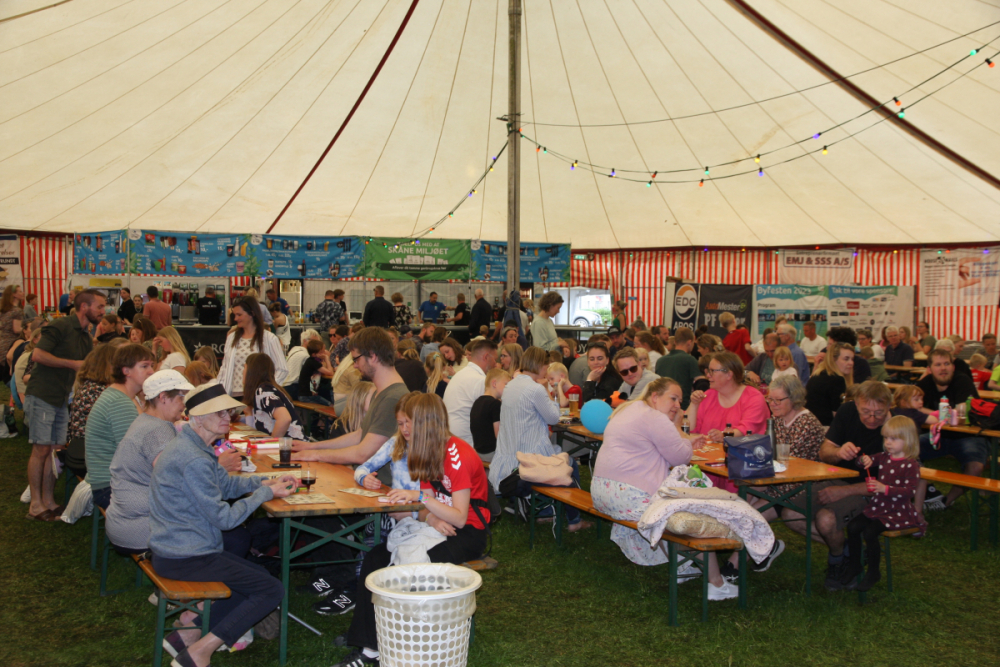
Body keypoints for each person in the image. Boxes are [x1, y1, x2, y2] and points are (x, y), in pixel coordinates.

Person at [331, 393, 490, 667]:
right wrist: (429, 517)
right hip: (439, 526)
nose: (404, 430)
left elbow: (460, 517)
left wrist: (421, 500)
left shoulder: (458, 455)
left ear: (427, 423)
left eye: (409, 423)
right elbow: (427, 509)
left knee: (409, 568)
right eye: (401, 423)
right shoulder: (424, 450)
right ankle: (370, 644)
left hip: (467, 533)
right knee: (375, 559)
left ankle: (405, 643)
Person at [148, 382, 294, 666]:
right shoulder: (193, 458)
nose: (228, 418)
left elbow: (225, 485)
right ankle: (199, 652)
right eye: (220, 413)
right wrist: (265, 494)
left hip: (176, 548)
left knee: (256, 576)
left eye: (228, 412)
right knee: (271, 589)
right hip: (185, 556)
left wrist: (265, 482)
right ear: (198, 418)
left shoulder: (193, 446)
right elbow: (225, 519)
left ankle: (186, 636)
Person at [591, 377, 740, 599]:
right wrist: (678, 428)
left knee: (677, 506)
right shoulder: (656, 418)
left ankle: (683, 565)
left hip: (602, 492)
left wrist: (684, 440)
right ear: (655, 397)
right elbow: (681, 458)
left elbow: (663, 447)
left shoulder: (628, 409)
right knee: (695, 515)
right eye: (673, 398)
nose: (677, 405)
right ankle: (717, 584)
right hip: (629, 496)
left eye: (680, 400)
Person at [793, 381, 893, 591]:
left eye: (879, 413)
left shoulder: (897, 429)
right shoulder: (847, 412)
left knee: (826, 519)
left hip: (873, 492)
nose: (872, 418)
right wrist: (838, 452)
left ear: (889, 407)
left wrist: (843, 491)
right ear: (856, 404)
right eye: (865, 412)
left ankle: (837, 560)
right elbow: (824, 453)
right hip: (838, 479)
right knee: (790, 514)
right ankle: (850, 551)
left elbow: (892, 483)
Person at [489, 347, 593, 531]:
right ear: (539, 365)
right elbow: (553, 417)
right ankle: (574, 520)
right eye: (546, 366)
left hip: (509, 455)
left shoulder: (511, 385)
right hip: (530, 458)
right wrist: (547, 389)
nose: (546, 370)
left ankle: (541, 509)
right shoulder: (535, 389)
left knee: (560, 458)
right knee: (569, 464)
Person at [24, 289, 105, 521]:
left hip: (61, 398)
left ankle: (49, 501)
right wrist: (72, 364)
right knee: (41, 449)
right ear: (84, 307)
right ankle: (35, 505)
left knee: (55, 450)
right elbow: (38, 355)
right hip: (43, 394)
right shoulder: (60, 326)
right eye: (100, 306)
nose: (104, 311)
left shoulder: (85, 336)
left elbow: (88, 367)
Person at [104, 370, 195, 554]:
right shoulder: (157, 430)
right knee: (229, 536)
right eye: (181, 397)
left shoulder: (146, 420)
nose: (184, 404)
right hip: (140, 529)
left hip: (123, 522)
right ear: (163, 397)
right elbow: (177, 481)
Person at [294, 327, 409, 466]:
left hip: (377, 478)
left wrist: (315, 454)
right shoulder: (381, 392)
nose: (355, 366)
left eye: (356, 359)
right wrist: (312, 447)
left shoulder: (392, 398)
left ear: (372, 356)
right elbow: (360, 435)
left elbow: (363, 454)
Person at [840, 416, 922, 592]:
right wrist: (863, 460)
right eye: (886, 438)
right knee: (853, 527)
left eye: (893, 439)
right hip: (879, 507)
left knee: (870, 532)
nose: (888, 443)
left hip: (898, 511)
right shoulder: (884, 457)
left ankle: (874, 572)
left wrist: (885, 489)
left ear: (907, 439)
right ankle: (855, 564)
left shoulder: (911, 465)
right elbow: (860, 461)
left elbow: (910, 492)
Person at [913, 349, 987, 513]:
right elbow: (908, 405)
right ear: (930, 369)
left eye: (946, 363)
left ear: (953, 367)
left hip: (968, 436)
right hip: (937, 436)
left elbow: (960, 416)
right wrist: (940, 415)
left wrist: (926, 412)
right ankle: (928, 490)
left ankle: (945, 502)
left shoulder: (962, 381)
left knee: (975, 467)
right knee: (905, 450)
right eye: (938, 364)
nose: (943, 368)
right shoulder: (925, 384)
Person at [84, 343, 157, 510]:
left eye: (151, 365)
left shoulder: (120, 396)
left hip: (111, 481)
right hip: (110, 487)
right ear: (126, 371)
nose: (151, 371)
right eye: (144, 366)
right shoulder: (119, 403)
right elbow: (136, 456)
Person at [688, 352, 769, 441]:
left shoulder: (754, 398)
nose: (708, 375)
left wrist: (723, 435)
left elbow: (747, 429)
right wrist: (694, 404)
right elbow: (689, 429)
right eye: (708, 371)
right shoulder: (708, 395)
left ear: (729, 375)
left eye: (712, 371)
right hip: (707, 449)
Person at [218, 296, 287, 398]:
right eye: (234, 315)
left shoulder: (269, 339)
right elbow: (224, 368)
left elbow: (282, 369)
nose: (235, 319)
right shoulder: (231, 338)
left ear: (252, 313)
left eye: (239, 315)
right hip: (232, 395)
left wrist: (267, 390)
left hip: (258, 397)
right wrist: (219, 393)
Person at [443, 338, 499, 449]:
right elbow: (492, 417)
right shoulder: (480, 380)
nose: (495, 364)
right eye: (494, 359)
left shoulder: (461, 374)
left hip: (451, 437)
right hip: (466, 442)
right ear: (486, 357)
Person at [244, 353, 305, 439]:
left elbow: (284, 419)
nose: (243, 372)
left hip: (291, 445)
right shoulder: (268, 388)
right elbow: (256, 430)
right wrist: (248, 414)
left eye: (244, 368)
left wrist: (272, 443)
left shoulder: (264, 391)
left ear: (251, 372)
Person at [805, 343, 854, 426]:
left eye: (852, 359)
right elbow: (838, 416)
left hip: (810, 425)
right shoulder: (837, 380)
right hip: (824, 427)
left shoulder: (818, 374)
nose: (851, 363)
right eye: (846, 359)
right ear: (833, 360)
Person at [469, 368, 511, 463]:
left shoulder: (477, 402)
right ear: (494, 383)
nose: (508, 388)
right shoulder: (495, 404)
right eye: (506, 384)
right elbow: (499, 435)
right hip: (492, 453)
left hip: (478, 452)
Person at [655, 327, 700, 410]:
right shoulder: (690, 360)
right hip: (681, 407)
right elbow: (701, 382)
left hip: (661, 406)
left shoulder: (660, 361)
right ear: (689, 342)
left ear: (675, 342)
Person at [297, 339, 335, 405]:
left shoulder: (313, 361)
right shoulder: (313, 362)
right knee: (330, 405)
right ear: (314, 354)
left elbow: (327, 369)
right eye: (321, 352)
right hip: (307, 396)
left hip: (308, 395)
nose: (324, 353)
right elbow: (330, 372)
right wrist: (327, 359)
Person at [0, 284, 25, 373]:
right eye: (20, 291)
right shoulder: (17, 311)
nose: (23, 293)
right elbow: (16, 329)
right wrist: (26, 329)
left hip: (2, 343)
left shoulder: (4, 310)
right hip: (11, 344)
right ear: (14, 294)